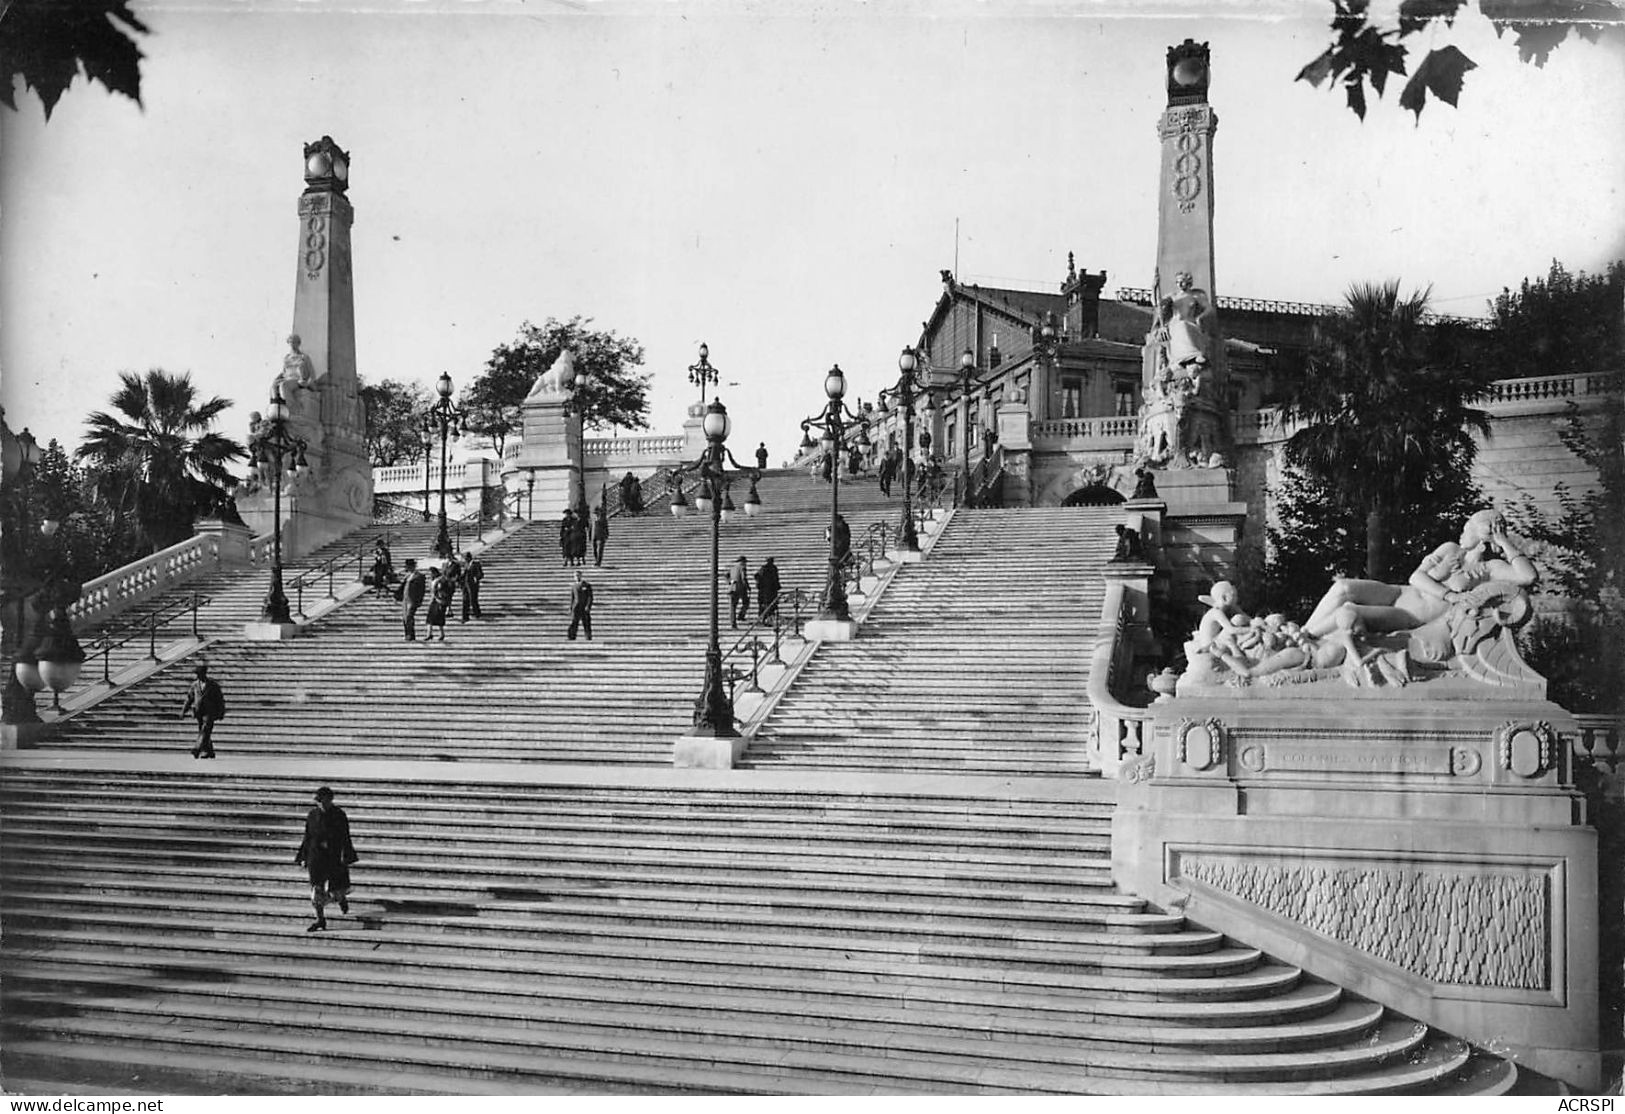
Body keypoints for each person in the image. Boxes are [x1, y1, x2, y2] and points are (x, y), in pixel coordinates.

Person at [1301, 509, 1537, 655]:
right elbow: (1415, 577)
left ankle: (1306, 640)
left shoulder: (1490, 569)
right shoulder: (1450, 548)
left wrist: (1503, 540)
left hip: (1410, 616)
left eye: (1467, 529)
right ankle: (1303, 633)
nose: (1462, 533)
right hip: (1399, 593)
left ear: (1481, 534)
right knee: (1343, 587)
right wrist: (1443, 578)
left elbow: (1528, 576)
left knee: (1350, 611)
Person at [294, 785, 359, 933]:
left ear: (330, 800)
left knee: (336, 889)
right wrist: (303, 856)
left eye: (323, 801)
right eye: (318, 801)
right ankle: (320, 919)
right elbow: (307, 837)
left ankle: (341, 899)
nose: (320, 804)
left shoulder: (339, 815)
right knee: (316, 888)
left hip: (333, 856)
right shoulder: (312, 815)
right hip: (316, 856)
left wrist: (347, 855)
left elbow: (345, 837)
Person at [179, 662, 225, 759]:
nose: (198, 676)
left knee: (205, 730)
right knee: (204, 731)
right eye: (197, 674)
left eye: (199, 674)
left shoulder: (213, 685)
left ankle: (198, 749)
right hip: (199, 711)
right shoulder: (195, 685)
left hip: (210, 711)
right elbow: (189, 698)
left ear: (204, 673)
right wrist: (184, 710)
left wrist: (221, 712)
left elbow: (219, 699)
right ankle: (210, 751)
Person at [395, 558, 426, 641]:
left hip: (412, 599)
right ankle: (407, 634)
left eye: (408, 567)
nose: (407, 568)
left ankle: (410, 634)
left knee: (409, 616)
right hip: (405, 599)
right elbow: (402, 587)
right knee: (405, 617)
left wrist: (419, 600)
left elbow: (421, 590)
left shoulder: (419, 576)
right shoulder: (407, 576)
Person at [425, 566, 452, 641]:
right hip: (434, 600)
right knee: (429, 618)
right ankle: (429, 634)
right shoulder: (431, 581)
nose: (430, 575)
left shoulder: (441, 580)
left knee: (439, 618)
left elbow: (444, 590)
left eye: (431, 573)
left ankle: (441, 634)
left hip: (440, 601)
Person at [567, 569, 594, 641]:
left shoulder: (587, 585)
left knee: (586, 623)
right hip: (576, 607)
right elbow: (572, 598)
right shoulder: (573, 586)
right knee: (574, 622)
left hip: (584, 607)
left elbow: (590, 597)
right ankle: (571, 637)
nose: (577, 577)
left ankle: (588, 637)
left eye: (578, 575)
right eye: (575, 576)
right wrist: (571, 608)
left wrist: (588, 606)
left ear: (581, 576)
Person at [755, 556, 781, 623]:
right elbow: (776, 579)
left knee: (764, 605)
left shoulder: (763, 568)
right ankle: (768, 618)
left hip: (764, 591)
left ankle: (763, 618)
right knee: (770, 605)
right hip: (771, 591)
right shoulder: (773, 568)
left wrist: (758, 585)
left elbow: (757, 577)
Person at [460, 551, 484, 621]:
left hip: (473, 585)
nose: (465, 560)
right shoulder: (466, 565)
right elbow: (463, 574)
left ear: (469, 558)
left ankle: (477, 613)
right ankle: (465, 616)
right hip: (465, 585)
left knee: (473, 600)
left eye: (465, 558)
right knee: (465, 600)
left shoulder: (476, 564)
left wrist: (476, 578)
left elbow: (481, 574)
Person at [728, 555, 751, 629]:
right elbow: (743, 578)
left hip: (732, 588)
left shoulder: (733, 568)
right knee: (746, 602)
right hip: (740, 588)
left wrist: (730, 582)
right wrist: (748, 587)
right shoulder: (742, 568)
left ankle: (733, 623)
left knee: (732, 607)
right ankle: (741, 615)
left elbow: (726, 575)